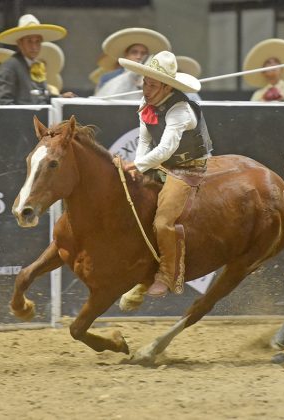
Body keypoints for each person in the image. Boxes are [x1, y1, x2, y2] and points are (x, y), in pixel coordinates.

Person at [120, 51, 212, 297]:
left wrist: (138, 166)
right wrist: (140, 164)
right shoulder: (146, 105)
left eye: (152, 84)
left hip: (189, 169)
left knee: (163, 222)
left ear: (166, 86)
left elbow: (165, 148)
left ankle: (166, 275)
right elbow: (144, 139)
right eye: (145, 82)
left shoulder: (180, 110)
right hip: (164, 166)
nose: (146, 89)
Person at [0, 14, 73, 104]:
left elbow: (43, 97)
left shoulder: (38, 66)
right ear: (19, 43)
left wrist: (60, 97)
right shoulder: (9, 66)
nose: (34, 47)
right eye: (29, 41)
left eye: (37, 42)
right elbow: (5, 102)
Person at [95, 27, 171, 98]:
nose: (139, 56)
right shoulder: (108, 77)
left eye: (143, 53)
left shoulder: (155, 79)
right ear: (126, 55)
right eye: (134, 52)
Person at [243, 38, 284, 102]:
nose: (273, 65)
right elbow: (253, 111)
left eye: (276, 62)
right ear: (263, 72)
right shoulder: (258, 95)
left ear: (282, 69)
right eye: (268, 63)